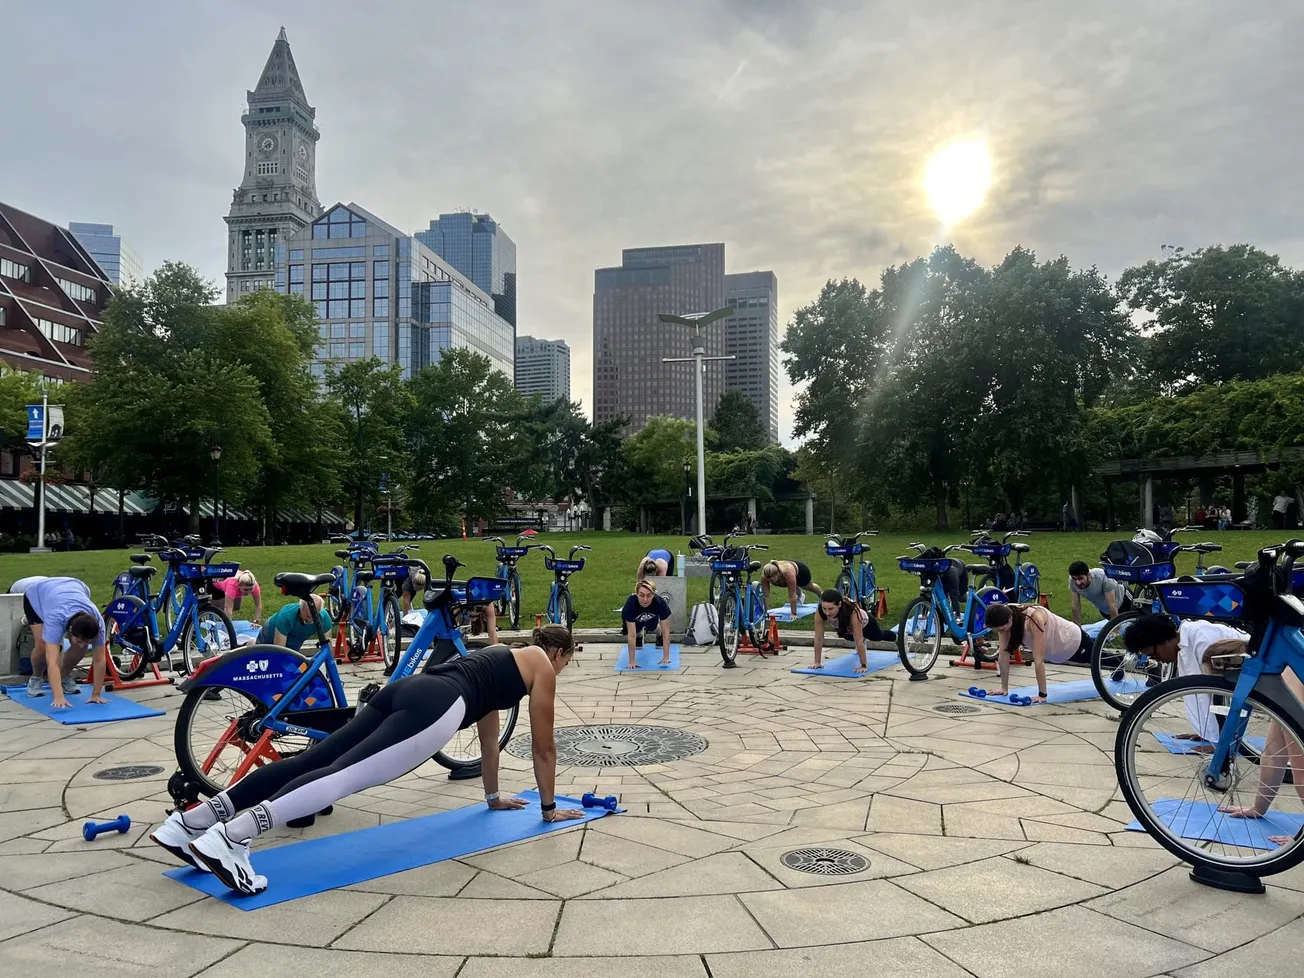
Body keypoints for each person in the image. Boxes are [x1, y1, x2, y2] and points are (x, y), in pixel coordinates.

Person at [150, 625, 582, 894]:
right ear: (560, 654)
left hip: (412, 688)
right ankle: (231, 837)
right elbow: (545, 748)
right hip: (437, 707)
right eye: (566, 664)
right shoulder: (543, 668)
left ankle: (192, 823)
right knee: (340, 777)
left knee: (313, 761)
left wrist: (493, 798)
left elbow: (490, 742)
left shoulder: (503, 656)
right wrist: (548, 810)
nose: (559, 673)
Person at [1121, 614, 1251, 749]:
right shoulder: (1183, 645)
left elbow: (1223, 694)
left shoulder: (1203, 640)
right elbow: (1199, 693)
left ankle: (1223, 738)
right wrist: (1206, 733)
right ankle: (1212, 734)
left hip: (1254, 667)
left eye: (1154, 655)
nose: (1157, 660)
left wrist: (1222, 745)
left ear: (1163, 641)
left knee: (1214, 688)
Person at [16, 576, 109, 709]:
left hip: (76, 587)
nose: (84, 644)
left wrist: (96, 694)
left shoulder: (98, 623)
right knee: (42, 646)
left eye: (88, 641)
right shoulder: (56, 619)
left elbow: (100, 659)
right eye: (79, 639)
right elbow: (52, 662)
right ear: (70, 631)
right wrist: (58, 697)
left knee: (80, 648)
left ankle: (64, 675)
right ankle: (36, 678)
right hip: (37, 596)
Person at [983, 602, 1093, 703]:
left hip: (1073, 642)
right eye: (998, 631)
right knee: (1101, 660)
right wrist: (1004, 688)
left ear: (1010, 618)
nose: (1001, 633)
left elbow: (1038, 660)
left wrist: (1042, 694)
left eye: (1002, 629)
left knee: (1102, 660)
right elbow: (1003, 654)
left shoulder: (1034, 619)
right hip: (1058, 652)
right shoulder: (1004, 619)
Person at [810, 589, 893, 673]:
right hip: (847, 628)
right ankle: (862, 638)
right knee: (848, 637)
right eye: (824, 608)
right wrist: (817, 662)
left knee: (877, 637)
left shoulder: (852, 612)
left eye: (831, 609)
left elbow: (858, 640)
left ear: (839, 604)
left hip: (866, 624)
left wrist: (863, 665)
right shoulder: (820, 612)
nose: (827, 613)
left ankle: (899, 637)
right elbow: (818, 637)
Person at [621, 579, 672, 667]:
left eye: (649, 595)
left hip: (651, 618)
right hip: (635, 620)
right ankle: (640, 635)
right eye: (641, 595)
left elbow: (666, 631)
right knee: (635, 632)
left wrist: (666, 657)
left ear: (654, 594)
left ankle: (658, 635)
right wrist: (632, 662)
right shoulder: (631, 604)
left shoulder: (660, 603)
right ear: (636, 594)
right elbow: (631, 635)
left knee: (653, 627)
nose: (645, 599)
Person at [256, 594, 333, 652]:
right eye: (307, 616)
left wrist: (330, 672)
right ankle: (249, 644)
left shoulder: (324, 619)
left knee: (292, 663)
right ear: (300, 608)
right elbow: (279, 651)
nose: (310, 619)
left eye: (313, 616)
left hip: (295, 640)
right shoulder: (286, 616)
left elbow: (328, 649)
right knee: (259, 655)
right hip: (270, 634)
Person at [1067, 561, 1131, 625]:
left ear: (1088, 574)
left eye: (1080, 578)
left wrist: (1116, 630)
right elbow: (1075, 606)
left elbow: (1112, 605)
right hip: (1106, 611)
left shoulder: (1102, 576)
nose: (1078, 582)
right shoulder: (1072, 581)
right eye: (1074, 579)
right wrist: (1077, 631)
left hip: (1125, 602)